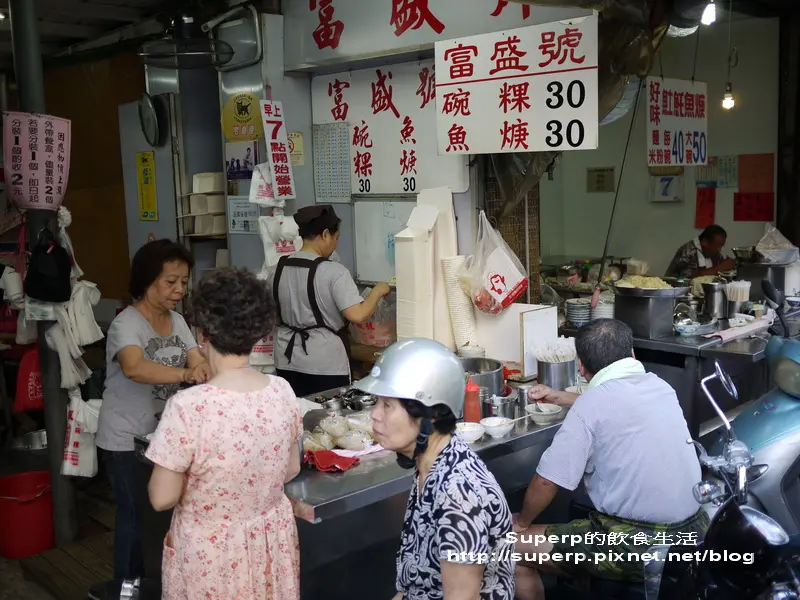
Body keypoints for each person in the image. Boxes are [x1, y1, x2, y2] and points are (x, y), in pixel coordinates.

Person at [512, 319, 708, 599]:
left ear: (581, 366)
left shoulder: (590, 407)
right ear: (632, 354)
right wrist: (560, 398)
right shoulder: (660, 386)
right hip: (694, 530)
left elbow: (545, 482)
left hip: (638, 543)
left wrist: (521, 523)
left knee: (508, 547)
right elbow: (613, 402)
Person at [145, 267, 302, 599]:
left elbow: (162, 498)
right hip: (269, 541)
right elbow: (291, 469)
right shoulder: (282, 390)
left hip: (211, 556)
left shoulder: (188, 407)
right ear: (257, 332)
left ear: (203, 335)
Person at [92, 240, 210, 600]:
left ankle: (157, 584)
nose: (179, 290)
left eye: (184, 282)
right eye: (170, 282)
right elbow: (134, 367)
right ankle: (127, 589)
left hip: (162, 438)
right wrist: (187, 375)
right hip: (126, 438)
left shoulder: (176, 320)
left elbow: (197, 359)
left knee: (159, 513)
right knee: (133, 516)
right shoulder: (126, 324)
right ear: (147, 281)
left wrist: (203, 367)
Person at [353, 338, 516, 600]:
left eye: (387, 405)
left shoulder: (459, 492)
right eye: (377, 403)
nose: (374, 414)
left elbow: (462, 597)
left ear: (430, 415)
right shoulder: (430, 465)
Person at [269, 204, 391, 397]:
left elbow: (273, 316)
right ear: (325, 234)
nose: (336, 244)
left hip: (286, 359)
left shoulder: (278, 268)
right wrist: (378, 291)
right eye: (336, 238)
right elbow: (357, 314)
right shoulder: (333, 272)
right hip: (324, 363)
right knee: (328, 419)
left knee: (298, 415)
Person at [665, 224, 736, 278]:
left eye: (721, 246)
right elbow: (686, 279)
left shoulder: (714, 253)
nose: (719, 250)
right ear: (704, 242)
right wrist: (718, 268)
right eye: (717, 246)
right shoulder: (688, 252)